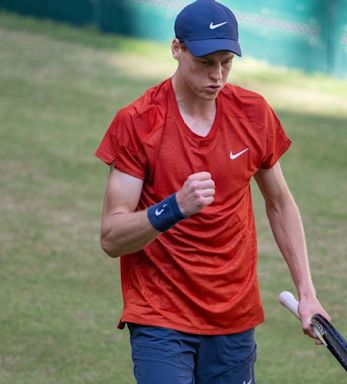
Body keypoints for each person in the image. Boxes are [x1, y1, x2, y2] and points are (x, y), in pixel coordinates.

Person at [95, 0, 329, 383]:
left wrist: (307, 292)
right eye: (206, 62)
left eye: (226, 62)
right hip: (160, 314)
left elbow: (280, 202)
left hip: (233, 317)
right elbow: (111, 238)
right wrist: (173, 207)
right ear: (177, 49)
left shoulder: (254, 113)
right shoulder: (138, 123)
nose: (217, 76)